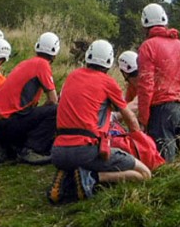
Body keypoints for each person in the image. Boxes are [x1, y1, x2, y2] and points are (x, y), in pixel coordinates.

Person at [51, 39, 151, 183]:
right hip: (86, 151)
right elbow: (130, 118)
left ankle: (73, 174)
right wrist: (141, 142)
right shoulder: (108, 83)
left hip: (58, 152)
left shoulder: (71, 76)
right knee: (144, 174)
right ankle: (91, 178)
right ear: (109, 62)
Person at [0, 31, 61, 164]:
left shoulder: (26, 63)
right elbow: (53, 100)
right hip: (7, 123)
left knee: (41, 113)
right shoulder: (42, 65)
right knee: (56, 111)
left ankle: (7, 146)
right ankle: (31, 150)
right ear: (55, 52)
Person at [136, 3, 180, 162]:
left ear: (145, 26)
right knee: (176, 160)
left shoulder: (148, 47)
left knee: (163, 164)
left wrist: (143, 118)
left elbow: (145, 85)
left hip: (161, 110)